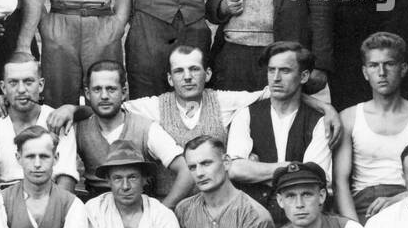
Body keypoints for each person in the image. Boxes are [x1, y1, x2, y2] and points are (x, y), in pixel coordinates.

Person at [119, 44, 339, 198]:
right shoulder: (153, 106)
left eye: (194, 69)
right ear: (169, 78)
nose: (187, 77)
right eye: (179, 71)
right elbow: (112, 106)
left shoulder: (224, 101)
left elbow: (275, 92)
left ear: (207, 74)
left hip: (217, 201)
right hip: (170, 198)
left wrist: (324, 107)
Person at [334, 32, 408, 223]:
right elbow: (339, 182)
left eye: (389, 64)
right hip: (364, 207)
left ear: (403, 69)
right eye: (374, 65)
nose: (382, 72)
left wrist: (400, 199)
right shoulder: (349, 117)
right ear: (364, 72)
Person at [225, 42, 333, 224]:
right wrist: (291, 166)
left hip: (300, 221)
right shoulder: (246, 114)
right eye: (271, 70)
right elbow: (235, 170)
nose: (275, 78)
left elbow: (314, 178)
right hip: (252, 217)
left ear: (304, 76)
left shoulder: (319, 121)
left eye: (285, 71)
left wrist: (258, 172)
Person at [74, 60, 190, 204]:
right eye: (97, 89)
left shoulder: (145, 128)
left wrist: (164, 209)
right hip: (98, 211)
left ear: (124, 92)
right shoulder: (78, 129)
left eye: (111, 89)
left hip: (140, 208)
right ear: (87, 93)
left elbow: (186, 169)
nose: (104, 96)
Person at [0, 53, 77, 200]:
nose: (21, 89)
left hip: (50, 200)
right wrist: (11, 214)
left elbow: (66, 178)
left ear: (41, 84)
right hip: (4, 201)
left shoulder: (57, 119)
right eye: (13, 83)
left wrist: (50, 213)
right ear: (3, 87)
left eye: (28, 82)